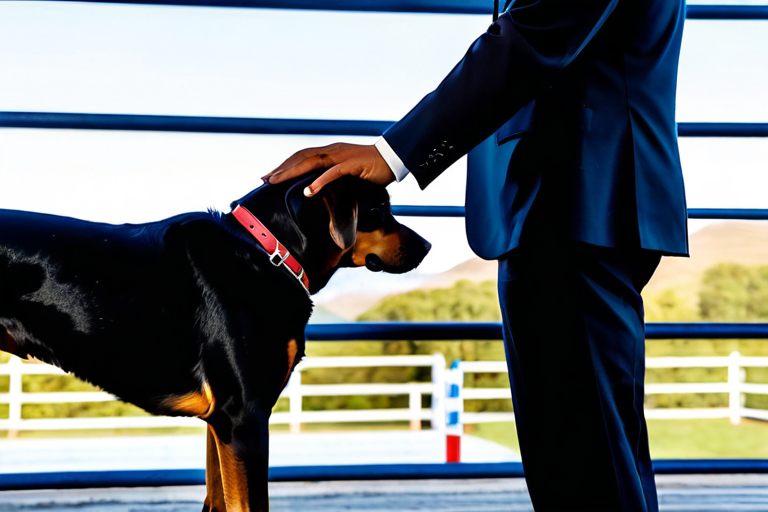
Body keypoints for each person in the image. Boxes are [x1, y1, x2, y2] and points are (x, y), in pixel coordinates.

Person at [263, 1, 688, 510]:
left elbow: (534, 33)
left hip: (570, 199)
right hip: (571, 201)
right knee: (594, 456)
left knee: (584, 468)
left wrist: (392, 153)